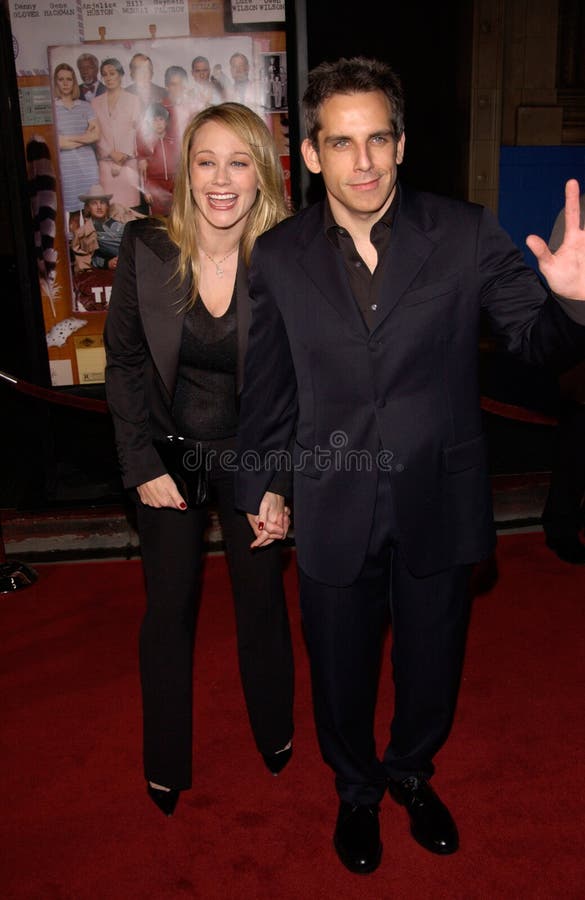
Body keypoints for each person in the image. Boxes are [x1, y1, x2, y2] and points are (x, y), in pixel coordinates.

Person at [235, 57, 585, 874]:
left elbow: (537, 343)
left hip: (439, 491)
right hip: (328, 498)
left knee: (432, 660)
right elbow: (268, 390)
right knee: (340, 668)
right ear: (312, 154)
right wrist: (264, 483)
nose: (363, 163)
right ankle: (355, 791)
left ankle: (411, 773)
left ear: (400, 144)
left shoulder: (462, 233)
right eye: (341, 143)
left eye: (378, 140)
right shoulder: (280, 257)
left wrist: (572, 301)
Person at [104, 102, 295, 818]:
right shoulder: (147, 246)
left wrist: (277, 481)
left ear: (261, 174)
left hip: (253, 449)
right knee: (170, 606)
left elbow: (297, 382)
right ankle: (164, 761)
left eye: (237, 162)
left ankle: (274, 729)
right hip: (169, 451)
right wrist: (141, 463)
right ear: (186, 172)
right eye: (205, 161)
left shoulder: (285, 258)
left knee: (261, 600)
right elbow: (123, 364)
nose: (221, 179)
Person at [542, 194, 585, 563]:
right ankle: (561, 526)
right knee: (578, 445)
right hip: (581, 348)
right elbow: (563, 295)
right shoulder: (578, 209)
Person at [53, 63, 100, 236]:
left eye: (69, 79)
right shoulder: (53, 108)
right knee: (73, 214)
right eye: (61, 79)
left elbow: (95, 135)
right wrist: (83, 138)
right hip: (68, 168)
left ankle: (92, 253)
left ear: (74, 82)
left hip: (87, 166)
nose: (65, 83)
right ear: (56, 83)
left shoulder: (85, 106)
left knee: (92, 212)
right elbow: (57, 143)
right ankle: (77, 254)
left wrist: (70, 139)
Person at [92, 58, 142, 209]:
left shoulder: (134, 100)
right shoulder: (95, 103)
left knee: (130, 212)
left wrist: (122, 157)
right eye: (105, 74)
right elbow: (95, 133)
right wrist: (110, 153)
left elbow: (136, 131)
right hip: (106, 165)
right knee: (108, 210)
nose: (108, 78)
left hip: (127, 164)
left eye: (112, 73)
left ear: (120, 75)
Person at [71, 184, 143, 272]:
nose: (99, 207)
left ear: (107, 205)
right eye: (94, 203)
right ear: (88, 208)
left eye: (102, 202)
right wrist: (107, 263)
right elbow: (88, 259)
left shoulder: (118, 215)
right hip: (130, 260)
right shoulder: (84, 233)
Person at [137, 103, 179, 217]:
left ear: (166, 121)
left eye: (161, 119)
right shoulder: (147, 143)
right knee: (158, 219)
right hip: (155, 185)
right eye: (154, 121)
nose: (158, 124)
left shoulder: (173, 141)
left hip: (173, 183)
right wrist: (146, 190)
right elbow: (142, 171)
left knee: (176, 216)